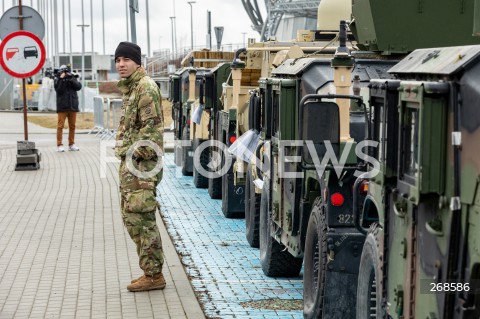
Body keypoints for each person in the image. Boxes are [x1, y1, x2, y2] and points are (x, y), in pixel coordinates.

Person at [114, 41, 166, 292]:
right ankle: (150, 272)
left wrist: (131, 156)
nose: (121, 64)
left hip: (141, 166)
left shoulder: (145, 88)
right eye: (117, 60)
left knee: (142, 219)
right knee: (132, 218)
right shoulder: (132, 88)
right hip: (132, 165)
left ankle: (154, 275)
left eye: (126, 59)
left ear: (137, 62)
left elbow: (152, 132)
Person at [54, 65, 82, 152]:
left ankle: (71, 144)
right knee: (60, 126)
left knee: (72, 126)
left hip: (72, 106)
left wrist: (71, 79)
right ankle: (59, 144)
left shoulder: (72, 77)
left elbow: (78, 87)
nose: (65, 73)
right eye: (64, 72)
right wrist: (62, 79)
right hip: (62, 106)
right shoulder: (57, 78)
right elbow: (59, 90)